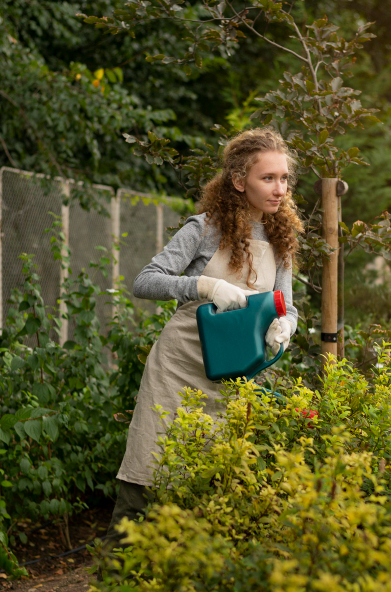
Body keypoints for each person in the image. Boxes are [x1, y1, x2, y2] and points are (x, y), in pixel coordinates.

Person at [99, 127, 302, 552]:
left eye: (284, 178)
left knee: (211, 489)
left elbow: (286, 303)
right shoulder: (204, 229)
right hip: (179, 367)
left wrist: (287, 324)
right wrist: (202, 288)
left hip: (234, 377)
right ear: (238, 180)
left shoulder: (281, 240)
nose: (279, 188)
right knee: (145, 479)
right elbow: (144, 281)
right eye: (268, 178)